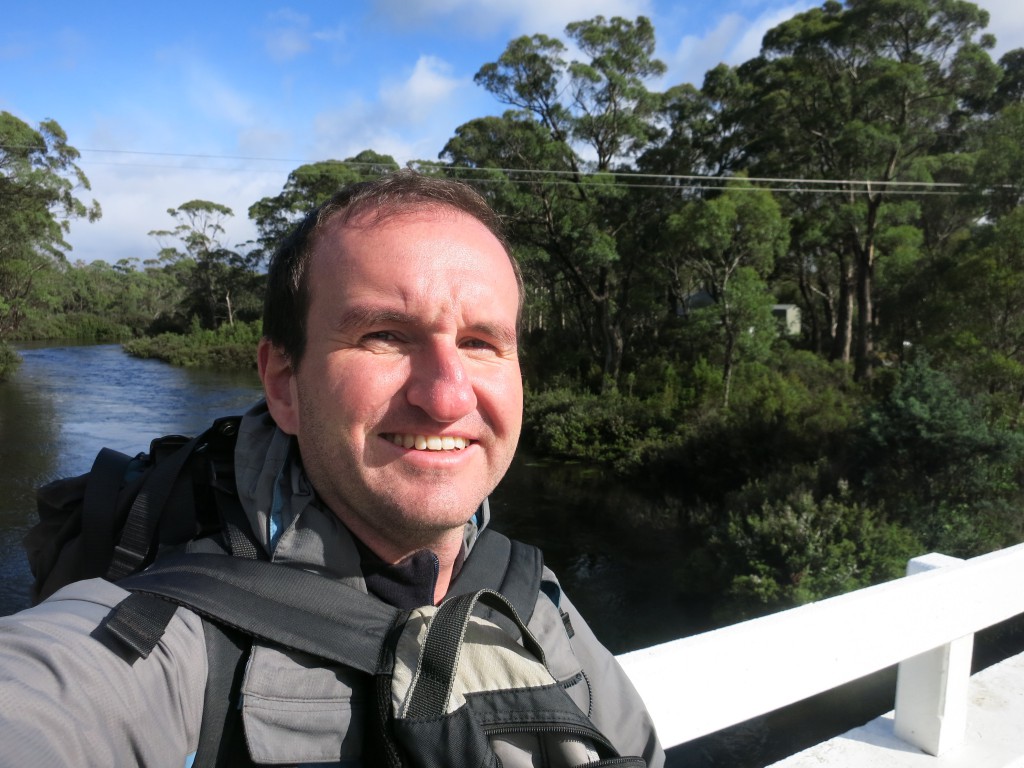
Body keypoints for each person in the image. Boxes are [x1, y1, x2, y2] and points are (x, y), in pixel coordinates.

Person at [0, 171, 665, 767]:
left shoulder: (535, 598)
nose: (448, 397)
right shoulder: (169, 637)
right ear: (284, 383)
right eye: (385, 335)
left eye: (480, 343)